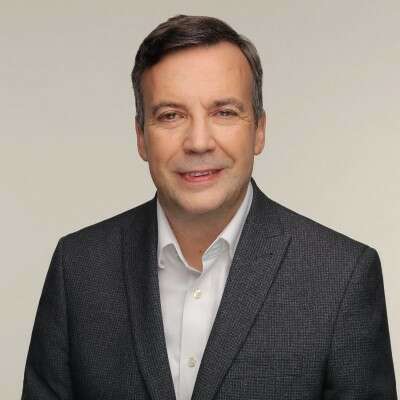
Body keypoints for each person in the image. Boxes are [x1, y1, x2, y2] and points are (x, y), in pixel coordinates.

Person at [22, 14, 397, 400]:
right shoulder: (78, 269)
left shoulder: (342, 276)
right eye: (171, 115)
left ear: (259, 130)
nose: (198, 142)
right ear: (141, 137)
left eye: (224, 112)